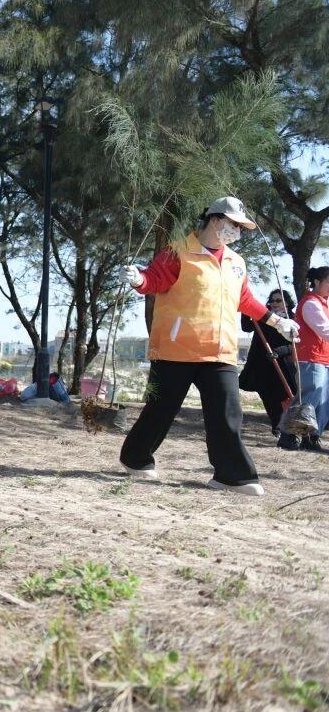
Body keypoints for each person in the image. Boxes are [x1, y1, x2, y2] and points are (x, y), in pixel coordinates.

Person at [119, 196, 300, 496]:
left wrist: (277, 321)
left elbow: (245, 301)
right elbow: (154, 280)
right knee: (160, 410)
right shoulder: (177, 251)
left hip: (220, 351)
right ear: (215, 221)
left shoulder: (236, 263)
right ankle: (135, 458)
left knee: (228, 411)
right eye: (234, 225)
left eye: (241, 228)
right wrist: (138, 278)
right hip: (176, 350)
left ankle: (233, 476)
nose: (238, 233)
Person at [239, 289, 298, 449]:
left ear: (287, 302)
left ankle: (290, 431)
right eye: (272, 300)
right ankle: (277, 426)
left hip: (282, 365)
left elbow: (295, 344)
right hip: (262, 364)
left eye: (278, 300)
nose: (274, 303)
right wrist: (247, 309)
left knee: (286, 397)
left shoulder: (292, 319)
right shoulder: (264, 316)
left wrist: (279, 352)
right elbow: (246, 327)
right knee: (268, 395)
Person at [295, 267, 329, 453]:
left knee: (322, 402)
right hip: (310, 357)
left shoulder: (324, 303)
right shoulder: (310, 303)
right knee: (309, 398)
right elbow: (324, 330)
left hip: (323, 358)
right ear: (317, 282)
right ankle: (290, 435)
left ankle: (312, 438)